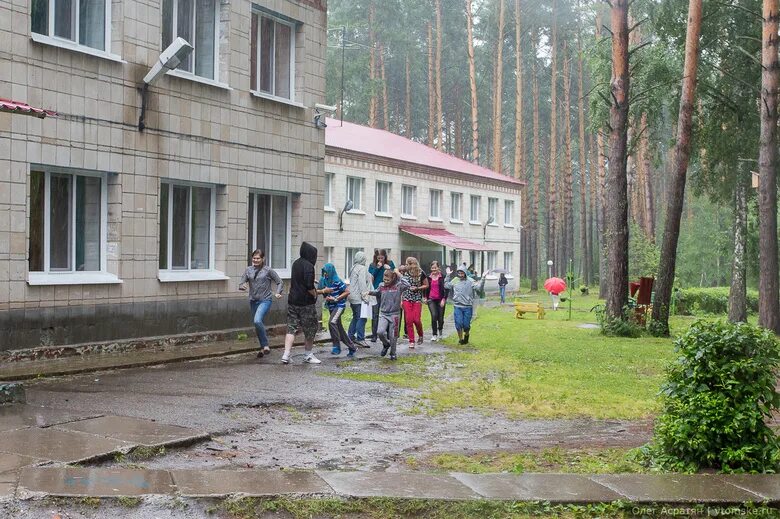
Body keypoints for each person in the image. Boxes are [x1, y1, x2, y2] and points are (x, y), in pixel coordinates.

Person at [282, 242, 321, 365]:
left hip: (293, 301)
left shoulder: (296, 263)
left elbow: (299, 279)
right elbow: (309, 285)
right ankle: (308, 354)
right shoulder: (309, 266)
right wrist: (315, 293)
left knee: (291, 328)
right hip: (306, 304)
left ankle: (286, 354)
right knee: (310, 329)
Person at [239, 249, 283, 358]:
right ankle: (262, 349)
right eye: (254, 258)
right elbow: (241, 282)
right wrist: (242, 286)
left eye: (258, 258)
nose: (256, 260)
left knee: (257, 320)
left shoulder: (268, 270)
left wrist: (278, 292)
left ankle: (265, 345)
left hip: (265, 300)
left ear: (263, 259)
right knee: (257, 324)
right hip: (253, 301)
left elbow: (279, 282)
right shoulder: (248, 270)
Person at [366, 267, 410, 360]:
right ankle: (386, 344)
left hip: (395, 315)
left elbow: (408, 284)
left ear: (393, 278)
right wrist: (368, 292)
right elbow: (377, 292)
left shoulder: (399, 286)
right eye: (384, 279)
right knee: (380, 332)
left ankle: (393, 353)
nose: (385, 281)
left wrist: (398, 273)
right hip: (384, 314)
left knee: (393, 335)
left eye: (387, 280)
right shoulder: (381, 285)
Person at [318, 263, 356, 358]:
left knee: (332, 322)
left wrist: (336, 298)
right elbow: (319, 291)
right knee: (339, 328)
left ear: (331, 271)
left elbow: (347, 291)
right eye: (324, 272)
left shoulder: (337, 281)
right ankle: (352, 347)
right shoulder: (324, 281)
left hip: (339, 306)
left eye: (326, 272)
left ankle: (336, 346)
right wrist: (324, 292)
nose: (325, 274)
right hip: (331, 308)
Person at [445, 265, 486, 345]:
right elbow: (446, 285)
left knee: (466, 325)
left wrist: (483, 277)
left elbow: (479, 288)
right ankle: (461, 339)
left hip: (467, 307)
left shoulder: (470, 281)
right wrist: (447, 275)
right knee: (458, 324)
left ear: (465, 273)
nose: (460, 274)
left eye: (462, 272)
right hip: (457, 306)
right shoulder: (455, 280)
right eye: (459, 272)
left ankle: (466, 335)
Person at [368, 249, 396, 342]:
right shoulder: (372, 265)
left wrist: (389, 269)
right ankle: (374, 335)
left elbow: (395, 275)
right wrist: (377, 268)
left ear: (385, 257)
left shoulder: (390, 263)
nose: (380, 260)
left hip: (388, 291)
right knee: (375, 313)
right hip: (376, 291)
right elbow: (370, 277)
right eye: (378, 258)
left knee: (388, 312)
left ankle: (388, 333)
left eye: (382, 258)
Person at [401, 257, 429, 347]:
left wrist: (417, 288)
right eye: (407, 264)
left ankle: (420, 335)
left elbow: (426, 285)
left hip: (417, 298)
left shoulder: (421, 273)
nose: (408, 266)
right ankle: (411, 340)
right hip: (406, 297)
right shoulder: (404, 272)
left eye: (409, 264)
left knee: (416, 319)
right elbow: (397, 272)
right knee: (409, 320)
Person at [347, 251, 372, 348]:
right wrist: (365, 296)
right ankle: (360, 338)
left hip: (351, 295)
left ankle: (350, 336)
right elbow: (362, 283)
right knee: (362, 318)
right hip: (359, 297)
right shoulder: (362, 268)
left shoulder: (353, 268)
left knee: (356, 317)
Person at [425, 260, 447, 342]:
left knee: (440, 318)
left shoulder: (443, 277)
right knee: (434, 316)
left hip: (440, 299)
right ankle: (434, 334)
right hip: (431, 299)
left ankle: (440, 331)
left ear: (438, 268)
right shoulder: (428, 277)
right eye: (432, 268)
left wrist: (444, 299)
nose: (433, 270)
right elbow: (425, 287)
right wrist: (425, 297)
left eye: (435, 268)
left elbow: (446, 289)